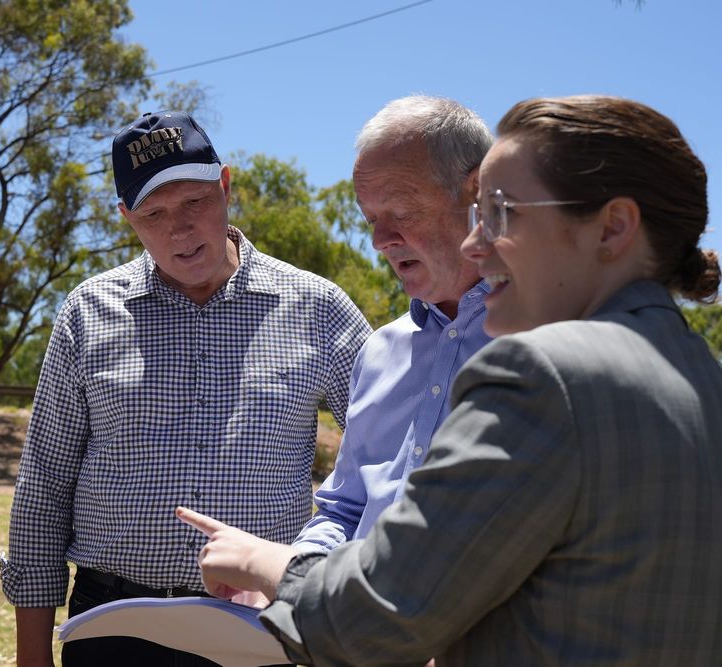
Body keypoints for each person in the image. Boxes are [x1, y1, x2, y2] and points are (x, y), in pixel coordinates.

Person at [178, 94, 722, 665]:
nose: (475, 242)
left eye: (502, 213)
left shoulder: (544, 374)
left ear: (612, 229)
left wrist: (260, 561)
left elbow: (378, 613)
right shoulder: (700, 380)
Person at [2, 110, 372, 666]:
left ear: (225, 186)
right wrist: (33, 656)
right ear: (127, 217)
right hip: (112, 622)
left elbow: (387, 459)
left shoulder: (318, 308)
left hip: (262, 625)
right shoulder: (88, 311)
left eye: (195, 202)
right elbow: (44, 486)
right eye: (154, 213)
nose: (179, 229)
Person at [294, 96, 493, 554]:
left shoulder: (557, 338)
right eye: (370, 219)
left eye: (401, 212)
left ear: (478, 192)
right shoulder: (380, 350)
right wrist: (296, 569)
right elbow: (345, 510)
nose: (379, 241)